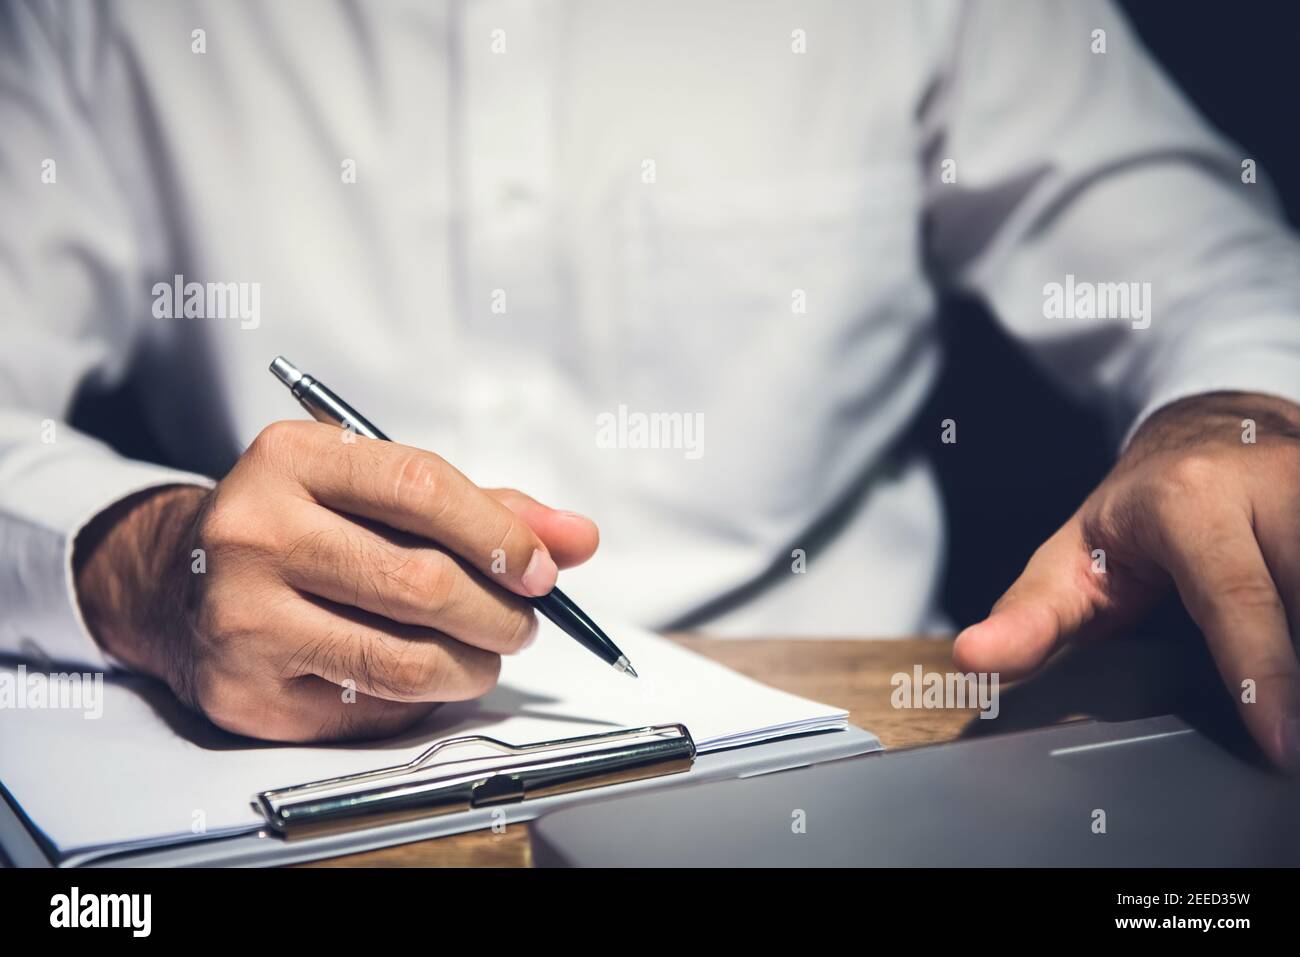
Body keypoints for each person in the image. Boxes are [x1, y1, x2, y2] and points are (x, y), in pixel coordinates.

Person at [2, 0, 1298, 764]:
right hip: (270, 762)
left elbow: (1208, 258)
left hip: (840, 754)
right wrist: (138, 562)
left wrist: (1229, 412)